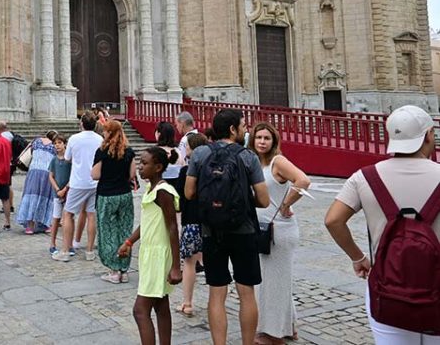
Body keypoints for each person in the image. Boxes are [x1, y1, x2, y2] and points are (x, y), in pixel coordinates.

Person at [325, 105, 440, 345]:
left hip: (388, 288)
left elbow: (333, 220)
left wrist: (358, 257)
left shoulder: (365, 177)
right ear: (429, 135)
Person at [184, 109, 270, 345]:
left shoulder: (200, 154)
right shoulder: (247, 156)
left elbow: (189, 192)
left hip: (211, 231)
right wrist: (241, 199)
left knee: (216, 292)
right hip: (243, 230)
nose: (246, 130)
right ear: (233, 129)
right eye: (243, 126)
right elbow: (263, 200)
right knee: (246, 292)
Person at [247, 122, 311, 344]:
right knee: (275, 280)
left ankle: (273, 334)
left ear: (274, 142)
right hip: (263, 229)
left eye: (267, 138)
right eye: (258, 138)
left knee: (273, 282)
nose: (262, 142)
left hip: (279, 230)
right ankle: (289, 327)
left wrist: (286, 204)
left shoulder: (278, 162)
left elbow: (303, 180)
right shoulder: (254, 163)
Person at [118, 147, 182, 345]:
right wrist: (129, 241)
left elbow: (172, 228)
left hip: (159, 255)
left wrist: (176, 266)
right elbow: (147, 222)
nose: (140, 167)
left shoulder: (163, 192)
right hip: (150, 252)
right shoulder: (151, 189)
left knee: (140, 310)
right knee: (161, 305)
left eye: (145, 164)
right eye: (140, 162)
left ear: (158, 167)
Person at [53, 111, 103, 262]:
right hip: (94, 181)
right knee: (91, 215)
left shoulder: (74, 139)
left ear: (81, 123)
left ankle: (66, 250)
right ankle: (89, 250)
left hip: (78, 182)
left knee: (68, 214)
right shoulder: (99, 139)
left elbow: (67, 158)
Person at [91, 120, 135, 283]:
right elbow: (131, 175)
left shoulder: (102, 151)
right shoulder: (129, 151)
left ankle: (114, 269)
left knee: (108, 231)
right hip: (124, 194)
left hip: (107, 195)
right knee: (124, 229)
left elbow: (95, 175)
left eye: (105, 131)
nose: (103, 133)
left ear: (109, 133)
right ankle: (124, 269)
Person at [177, 132, 209, 317]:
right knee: (212, 262)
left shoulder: (186, 172)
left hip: (191, 221)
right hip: (210, 221)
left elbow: (182, 199)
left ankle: (187, 303)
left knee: (189, 263)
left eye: (187, 146)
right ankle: (215, 300)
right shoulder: (214, 170)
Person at [16, 130, 58, 233]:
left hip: (33, 171)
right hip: (47, 173)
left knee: (31, 196)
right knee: (45, 197)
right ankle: (45, 223)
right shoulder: (54, 146)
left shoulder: (36, 141)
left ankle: (30, 226)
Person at [48, 134, 71, 255]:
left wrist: (65, 189)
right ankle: (52, 242)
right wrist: (57, 189)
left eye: (59, 143)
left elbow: (73, 175)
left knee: (69, 218)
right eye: (55, 143)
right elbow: (51, 176)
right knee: (56, 218)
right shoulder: (54, 160)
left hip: (68, 193)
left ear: (65, 144)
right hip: (57, 193)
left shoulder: (69, 160)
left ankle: (69, 244)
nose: (57, 145)